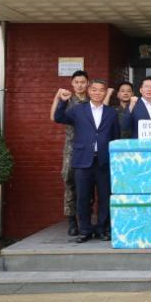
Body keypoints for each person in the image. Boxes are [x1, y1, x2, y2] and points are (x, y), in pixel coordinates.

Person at [54, 79, 120, 243]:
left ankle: (102, 229)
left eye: (101, 90)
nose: (97, 93)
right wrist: (62, 101)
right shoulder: (78, 110)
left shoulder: (111, 112)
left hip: (104, 161)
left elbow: (115, 136)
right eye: (94, 89)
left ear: (105, 93)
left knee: (105, 197)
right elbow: (58, 117)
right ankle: (85, 230)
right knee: (83, 198)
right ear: (89, 91)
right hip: (83, 160)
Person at [50, 70, 89, 237]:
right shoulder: (68, 99)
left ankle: (85, 221)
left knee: (86, 185)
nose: (80, 85)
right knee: (69, 181)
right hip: (71, 148)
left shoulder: (92, 100)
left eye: (83, 82)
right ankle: (72, 221)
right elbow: (54, 117)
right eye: (76, 82)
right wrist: (58, 98)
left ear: (87, 83)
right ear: (72, 84)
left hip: (87, 148)